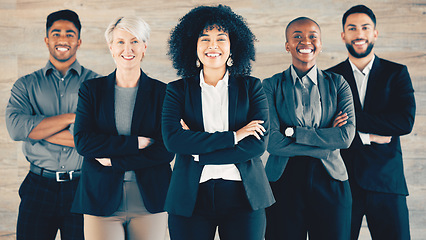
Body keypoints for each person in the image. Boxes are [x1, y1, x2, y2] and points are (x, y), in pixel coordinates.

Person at [161, 5, 275, 240]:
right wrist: (234, 136)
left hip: (244, 197)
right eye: (205, 39)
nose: (212, 45)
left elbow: (256, 146)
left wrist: (199, 152)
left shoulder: (252, 87)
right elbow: (173, 140)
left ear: (233, 46)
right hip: (190, 198)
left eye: (221, 39)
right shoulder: (176, 91)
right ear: (193, 46)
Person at [71, 16, 174, 240]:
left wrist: (116, 160)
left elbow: (165, 150)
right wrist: (135, 143)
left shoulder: (163, 93)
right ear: (111, 47)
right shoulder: (91, 90)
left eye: (135, 41)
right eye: (120, 42)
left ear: (144, 47)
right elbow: (84, 142)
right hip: (100, 197)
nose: (127, 48)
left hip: (150, 198)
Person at [5, 9, 100, 240]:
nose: (63, 39)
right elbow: (16, 129)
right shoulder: (25, 85)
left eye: (70, 34)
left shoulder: (97, 84)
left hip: (81, 187)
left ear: (78, 41)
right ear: (47, 39)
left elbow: (96, 139)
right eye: (56, 33)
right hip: (38, 185)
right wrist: (71, 118)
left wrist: (35, 130)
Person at [327, 5, 416, 240]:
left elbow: (404, 122)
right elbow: (327, 131)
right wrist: (369, 136)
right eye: (352, 28)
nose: (359, 34)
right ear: (343, 35)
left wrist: (351, 123)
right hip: (342, 184)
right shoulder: (329, 78)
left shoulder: (396, 73)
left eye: (365, 27)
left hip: (387, 184)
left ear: (375, 33)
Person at [262, 17, 356, 240]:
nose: (306, 41)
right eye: (297, 37)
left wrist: (294, 133)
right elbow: (271, 142)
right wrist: (324, 143)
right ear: (287, 45)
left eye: (313, 36)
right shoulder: (270, 85)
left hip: (331, 181)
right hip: (282, 183)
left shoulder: (339, 83)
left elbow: (344, 138)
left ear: (321, 44)